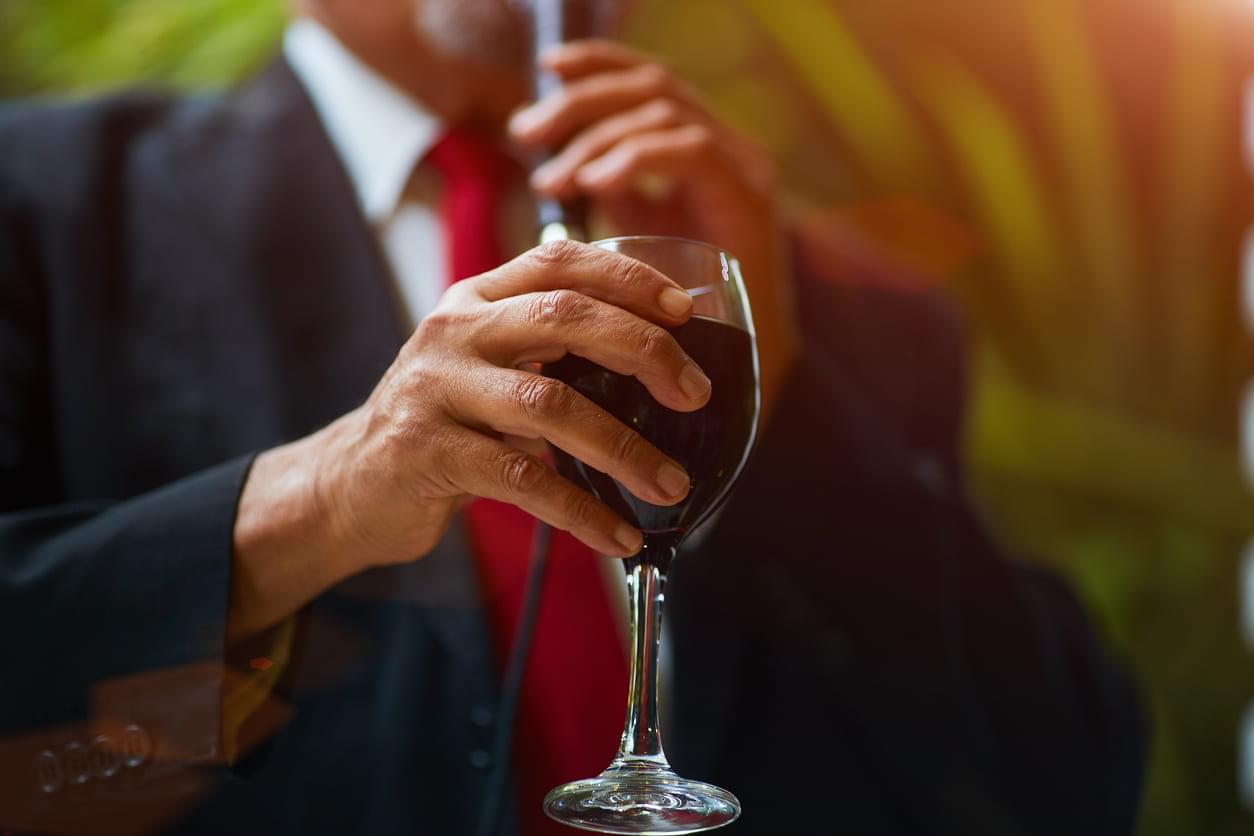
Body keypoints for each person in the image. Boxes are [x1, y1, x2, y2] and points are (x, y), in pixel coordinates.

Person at [0, 0, 1144, 833]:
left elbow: (1063, 776)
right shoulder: (42, 206)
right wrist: (328, 493)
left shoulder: (846, 306)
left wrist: (794, 423)